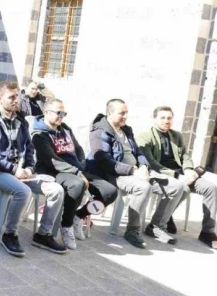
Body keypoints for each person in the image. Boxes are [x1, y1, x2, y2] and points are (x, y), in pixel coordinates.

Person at [0, 81, 67, 257]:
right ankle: (10, 234)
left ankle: (43, 234)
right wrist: (13, 169)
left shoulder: (20, 120)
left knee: (56, 190)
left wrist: (30, 167)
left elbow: (29, 148)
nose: (16, 100)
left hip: (21, 172)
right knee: (23, 191)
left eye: (17, 96)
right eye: (11, 97)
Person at [85, 99, 184, 248]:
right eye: (121, 113)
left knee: (176, 186)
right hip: (114, 174)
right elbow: (104, 160)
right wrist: (132, 171)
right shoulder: (100, 131)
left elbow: (138, 152)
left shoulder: (126, 130)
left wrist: (143, 166)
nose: (125, 116)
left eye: (126, 113)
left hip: (136, 171)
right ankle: (132, 230)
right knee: (143, 187)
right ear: (110, 113)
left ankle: (156, 226)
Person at [31, 99, 118, 250]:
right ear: (46, 112)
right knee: (77, 184)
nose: (62, 116)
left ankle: (78, 216)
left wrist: (81, 164)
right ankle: (66, 225)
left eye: (64, 113)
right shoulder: (39, 134)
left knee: (109, 191)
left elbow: (78, 149)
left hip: (75, 170)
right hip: (53, 171)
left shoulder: (65, 128)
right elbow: (52, 160)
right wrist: (77, 172)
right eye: (59, 113)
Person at [137, 106, 217, 248]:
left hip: (181, 173)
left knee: (211, 188)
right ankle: (158, 224)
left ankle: (207, 232)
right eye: (162, 117)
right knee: (182, 188)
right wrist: (176, 175)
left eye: (169, 118)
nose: (166, 121)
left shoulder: (176, 135)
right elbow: (151, 163)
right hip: (160, 174)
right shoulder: (145, 136)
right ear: (154, 119)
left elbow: (185, 155)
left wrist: (188, 170)